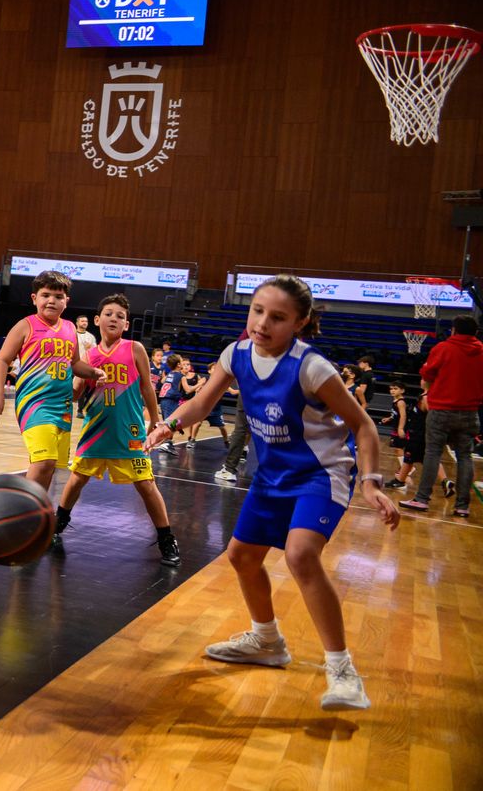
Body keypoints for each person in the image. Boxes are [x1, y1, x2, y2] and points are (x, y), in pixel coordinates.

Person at [147, 274, 398, 711]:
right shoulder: (236, 353)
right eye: (257, 311)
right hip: (271, 476)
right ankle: (267, 642)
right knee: (242, 557)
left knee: (301, 555)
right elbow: (202, 404)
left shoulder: (311, 367)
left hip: (320, 475)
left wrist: (373, 484)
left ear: (300, 323)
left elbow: (364, 424)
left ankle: (342, 671)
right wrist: (168, 425)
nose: (263, 323)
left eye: (278, 317)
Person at [54, 294, 180, 565]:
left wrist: (156, 422)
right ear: (98, 320)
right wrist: (62, 382)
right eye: (109, 313)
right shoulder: (87, 356)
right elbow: (76, 394)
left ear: (126, 325)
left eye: (120, 316)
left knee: (146, 484)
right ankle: (58, 524)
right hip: (95, 430)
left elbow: (147, 387)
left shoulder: (135, 349)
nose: (114, 318)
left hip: (130, 431)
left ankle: (167, 538)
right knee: (77, 478)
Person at [0, 271, 101, 503]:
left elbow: (75, 363)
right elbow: (1, 359)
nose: (51, 301)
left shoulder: (69, 328)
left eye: (58, 296)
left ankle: (36, 512)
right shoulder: (25, 325)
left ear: (66, 301)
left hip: (63, 406)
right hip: (35, 404)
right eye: (45, 295)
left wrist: (94, 372)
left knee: (50, 467)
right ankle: (22, 513)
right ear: (34, 298)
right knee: (44, 462)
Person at [400, 315, 482, 516]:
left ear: (453, 330)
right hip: (470, 411)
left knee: (433, 452)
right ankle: (462, 506)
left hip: (442, 409)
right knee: (464, 456)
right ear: (476, 332)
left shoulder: (444, 348)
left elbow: (427, 374)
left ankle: (422, 499)